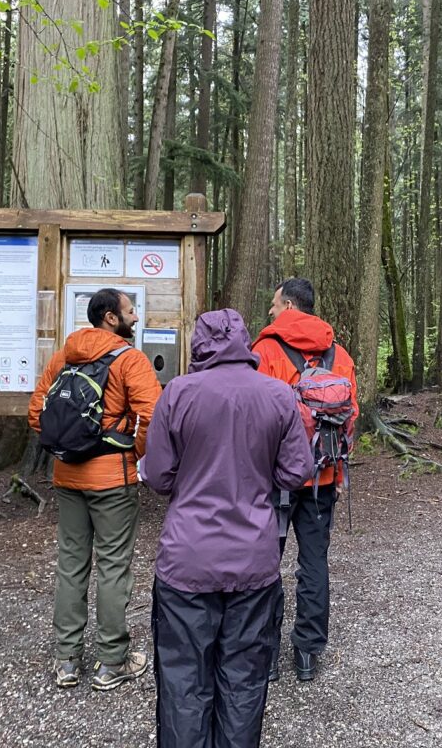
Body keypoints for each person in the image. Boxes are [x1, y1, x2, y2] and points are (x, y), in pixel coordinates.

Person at [139, 309, 312, 748]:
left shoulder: (177, 393)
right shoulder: (277, 395)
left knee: (183, 682)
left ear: (199, 344)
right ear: (244, 340)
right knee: (244, 682)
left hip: (186, 563)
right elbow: (298, 471)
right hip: (253, 563)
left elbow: (158, 477)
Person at [28, 288, 161, 691]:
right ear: (109, 317)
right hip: (113, 481)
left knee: (71, 564)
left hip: (67, 478)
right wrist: (134, 454)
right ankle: (111, 661)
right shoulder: (130, 360)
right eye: (130, 311)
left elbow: (37, 414)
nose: (136, 318)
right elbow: (153, 414)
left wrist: (67, 448)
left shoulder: (63, 357)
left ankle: (67, 660)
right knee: (114, 566)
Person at [252, 278, 359, 682]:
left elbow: (254, 416)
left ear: (291, 306)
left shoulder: (264, 351)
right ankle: (308, 654)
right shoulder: (339, 353)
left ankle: (265, 650)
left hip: (276, 478)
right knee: (314, 563)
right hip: (323, 476)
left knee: (264, 565)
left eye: (275, 303)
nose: (270, 311)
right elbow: (352, 411)